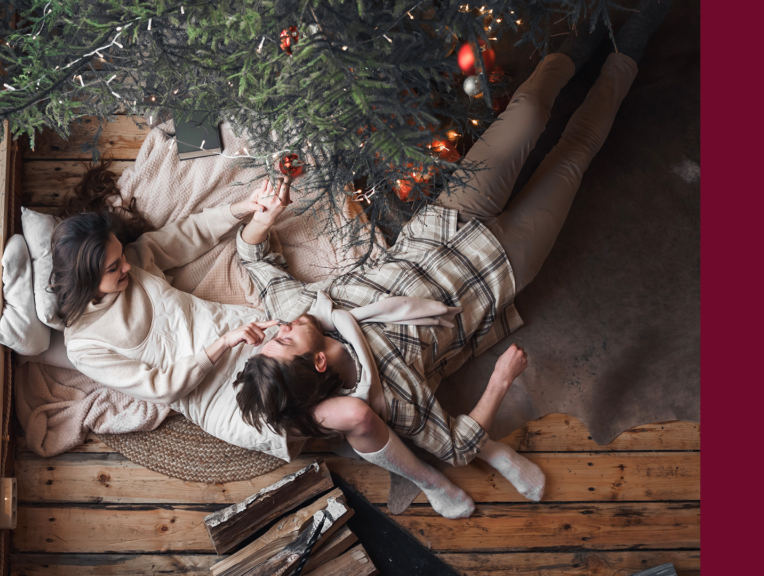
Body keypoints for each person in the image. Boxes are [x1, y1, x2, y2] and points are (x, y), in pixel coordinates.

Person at [232, 0, 673, 518]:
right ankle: (636, 40)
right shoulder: (392, 394)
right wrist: (500, 382)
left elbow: (253, 257)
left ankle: (591, 33)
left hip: (449, 217)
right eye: (283, 341)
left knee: (528, 111)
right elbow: (458, 447)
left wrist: (262, 219)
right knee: (575, 152)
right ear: (320, 361)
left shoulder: (302, 305)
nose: (280, 327)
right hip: (501, 266)